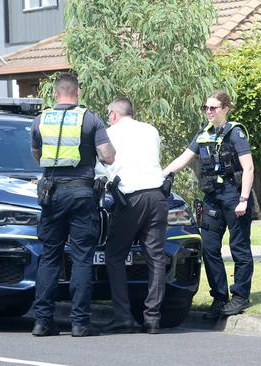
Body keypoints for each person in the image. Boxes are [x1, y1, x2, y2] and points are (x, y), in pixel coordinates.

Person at [30, 72, 115, 337]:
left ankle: (42, 321)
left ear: (55, 94)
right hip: (81, 193)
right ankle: (79, 323)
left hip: (50, 193)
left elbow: (36, 156)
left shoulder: (41, 119)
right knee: (81, 258)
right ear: (77, 92)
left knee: (49, 257)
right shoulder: (89, 118)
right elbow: (108, 156)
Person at [162, 90, 254, 319]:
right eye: (206, 108)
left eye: (213, 108)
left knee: (239, 247)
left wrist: (243, 199)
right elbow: (184, 158)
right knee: (210, 248)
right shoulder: (203, 133)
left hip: (234, 196)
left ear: (225, 109)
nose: (209, 112)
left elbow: (249, 168)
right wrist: (160, 174)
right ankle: (220, 298)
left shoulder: (236, 133)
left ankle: (240, 297)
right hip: (212, 197)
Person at [99, 97, 168, 334]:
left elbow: (103, 166)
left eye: (109, 114)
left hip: (130, 198)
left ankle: (123, 316)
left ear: (114, 115)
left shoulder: (109, 133)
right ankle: (152, 317)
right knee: (156, 258)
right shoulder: (151, 130)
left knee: (114, 255)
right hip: (157, 196)